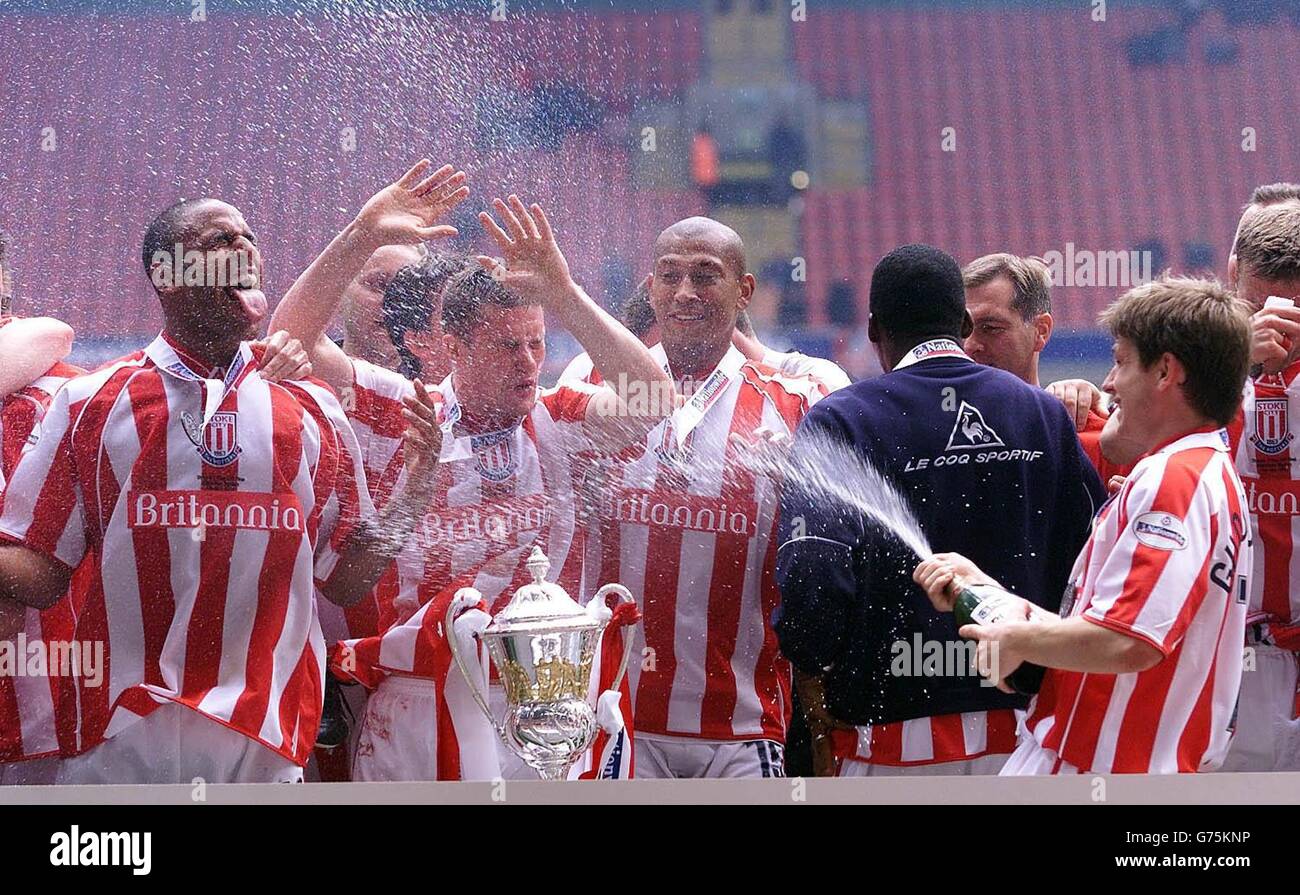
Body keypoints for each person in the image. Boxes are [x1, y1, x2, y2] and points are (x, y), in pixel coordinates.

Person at [0, 196, 441, 784]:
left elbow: (348, 577)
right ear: (168, 276)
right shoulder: (91, 404)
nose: (243, 248)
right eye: (217, 241)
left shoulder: (312, 410)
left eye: (248, 236)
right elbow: (41, 571)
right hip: (122, 735)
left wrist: (416, 485)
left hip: (267, 739)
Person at [270, 163, 671, 781]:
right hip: (417, 697)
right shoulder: (401, 410)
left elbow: (653, 399)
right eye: (507, 346)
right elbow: (289, 333)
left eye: (536, 343)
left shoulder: (557, 417)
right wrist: (360, 235)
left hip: (544, 693)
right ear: (453, 349)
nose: (529, 362)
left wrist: (563, 294)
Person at [775, 244, 1103, 777]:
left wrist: (817, 664)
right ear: (962, 321)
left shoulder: (841, 421)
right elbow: (1091, 563)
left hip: (891, 737)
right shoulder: (1044, 415)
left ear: (875, 330)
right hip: (1030, 734)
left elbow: (812, 581)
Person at [916, 276, 1253, 774]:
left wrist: (1016, 639)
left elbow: (1129, 641)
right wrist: (987, 593)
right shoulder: (1195, 471)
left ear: (1165, 372)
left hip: (1096, 767)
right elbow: (1107, 628)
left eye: (1120, 360)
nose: (1109, 382)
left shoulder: (1174, 480)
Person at [583, 216, 826, 778]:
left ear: (744, 291)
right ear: (650, 288)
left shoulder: (796, 402)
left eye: (705, 276)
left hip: (742, 727)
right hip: (618, 720)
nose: (685, 292)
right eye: (669, 276)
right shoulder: (594, 384)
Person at [1218, 201, 1300, 771]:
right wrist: (1227, 361)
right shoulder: (1181, 363)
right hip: (1226, 662)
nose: (1276, 326)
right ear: (1231, 273)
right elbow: (1135, 453)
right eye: (1256, 305)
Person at [963, 252, 1130, 486]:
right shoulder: (927, 437)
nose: (970, 345)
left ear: (1041, 331)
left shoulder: (1095, 442)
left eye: (990, 328)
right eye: (961, 329)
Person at [340, 243, 428, 372]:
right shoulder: (307, 377)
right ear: (340, 292)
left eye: (409, 289)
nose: (394, 302)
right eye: (379, 284)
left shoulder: (449, 387)